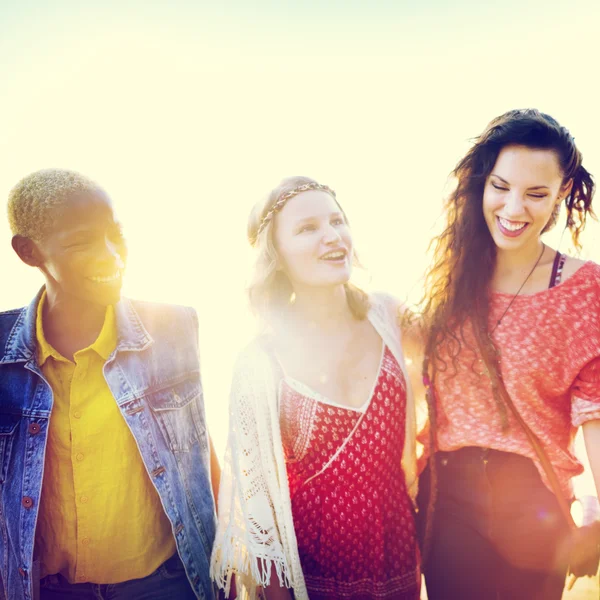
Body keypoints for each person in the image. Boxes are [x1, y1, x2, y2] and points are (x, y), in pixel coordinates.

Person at [0, 169, 218, 600]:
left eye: (115, 235)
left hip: (167, 586)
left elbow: (197, 453)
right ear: (29, 252)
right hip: (50, 591)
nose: (111, 256)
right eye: (83, 242)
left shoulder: (172, 329)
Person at [415, 109, 600, 599]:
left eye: (536, 193)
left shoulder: (584, 288)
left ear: (562, 193)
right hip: (447, 498)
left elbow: (595, 413)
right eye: (500, 186)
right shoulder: (448, 281)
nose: (513, 208)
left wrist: (599, 519)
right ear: (480, 185)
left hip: (533, 501)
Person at [210, 176, 420, 600]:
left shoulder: (389, 314)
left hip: (397, 551)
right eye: (308, 228)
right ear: (277, 256)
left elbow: (465, 357)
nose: (332, 237)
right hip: (311, 572)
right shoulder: (259, 361)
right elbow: (259, 513)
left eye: (337, 221)